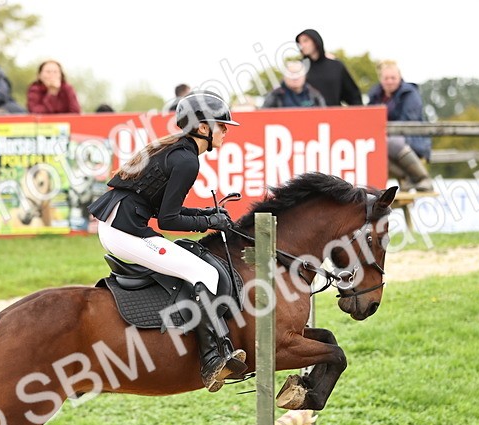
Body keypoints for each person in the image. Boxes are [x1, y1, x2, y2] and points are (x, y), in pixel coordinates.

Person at [87, 92, 246, 392]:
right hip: (123, 231)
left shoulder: (180, 151)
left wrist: (206, 213)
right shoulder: (186, 160)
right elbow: (168, 221)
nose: (226, 130)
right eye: (221, 125)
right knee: (205, 273)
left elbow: (164, 209)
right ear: (202, 129)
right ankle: (213, 357)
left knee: (196, 268)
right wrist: (210, 222)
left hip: (119, 224)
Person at [367, 60, 433, 192]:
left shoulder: (410, 94)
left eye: (393, 78)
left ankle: (423, 178)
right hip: (385, 141)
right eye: (386, 78)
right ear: (381, 79)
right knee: (371, 149)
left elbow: (408, 122)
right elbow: (369, 118)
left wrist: (384, 131)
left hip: (412, 140)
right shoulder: (375, 95)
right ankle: (407, 177)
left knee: (390, 142)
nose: (390, 81)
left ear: (399, 77)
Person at [295, 28, 362, 107]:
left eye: (305, 41)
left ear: (316, 41)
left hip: (334, 115)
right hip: (307, 116)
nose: (302, 45)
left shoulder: (336, 66)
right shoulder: (299, 68)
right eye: (300, 42)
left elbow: (353, 96)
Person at [263, 61, 327, 108]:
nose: (295, 77)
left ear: (304, 76)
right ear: (284, 76)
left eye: (298, 73)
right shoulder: (275, 95)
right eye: (291, 74)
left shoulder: (314, 94)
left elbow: (324, 114)